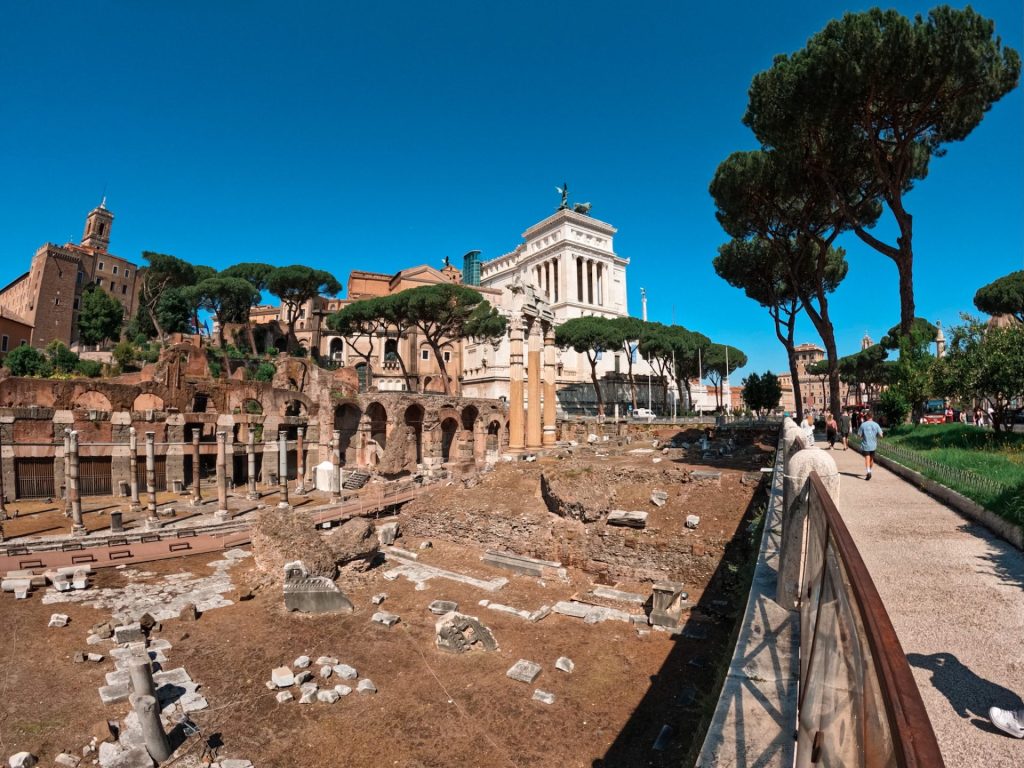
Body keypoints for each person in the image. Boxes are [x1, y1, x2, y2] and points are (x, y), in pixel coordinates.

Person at [857, 411, 883, 481]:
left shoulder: (863, 425)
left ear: (867, 416)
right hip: (873, 445)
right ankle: (870, 470)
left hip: (866, 444)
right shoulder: (876, 425)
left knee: (867, 458)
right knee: (871, 459)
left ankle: (868, 471)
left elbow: (859, 435)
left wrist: (862, 436)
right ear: (872, 416)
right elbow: (881, 435)